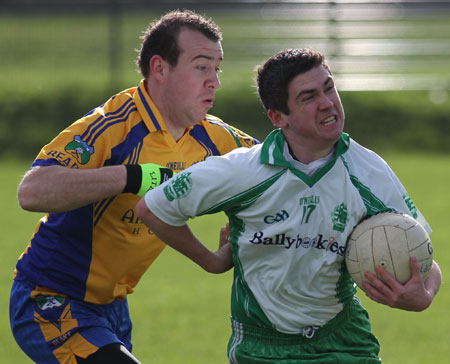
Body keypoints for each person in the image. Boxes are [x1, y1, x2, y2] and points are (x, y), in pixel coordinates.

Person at [136, 48, 442, 363]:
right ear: (278, 117)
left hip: (343, 342)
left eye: (329, 87)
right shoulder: (243, 171)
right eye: (308, 97)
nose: (327, 103)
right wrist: (212, 261)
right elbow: (153, 208)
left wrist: (424, 294)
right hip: (261, 347)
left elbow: (419, 250)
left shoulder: (368, 171)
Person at [10, 9, 258, 364]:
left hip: (114, 310)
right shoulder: (112, 125)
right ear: (159, 68)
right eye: (202, 67)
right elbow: (32, 191)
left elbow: (280, 164)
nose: (215, 81)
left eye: (217, 68)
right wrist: (133, 177)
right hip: (51, 298)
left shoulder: (215, 136)